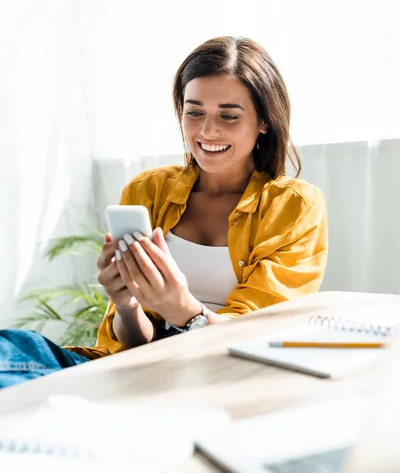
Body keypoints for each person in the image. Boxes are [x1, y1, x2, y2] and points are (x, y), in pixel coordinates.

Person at [0, 36, 328, 388]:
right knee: (11, 348)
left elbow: (257, 334)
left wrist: (185, 310)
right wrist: (125, 305)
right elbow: (134, 345)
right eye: (194, 112)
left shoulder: (294, 207)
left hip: (216, 377)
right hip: (131, 369)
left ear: (264, 121)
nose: (207, 131)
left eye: (229, 116)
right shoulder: (148, 191)